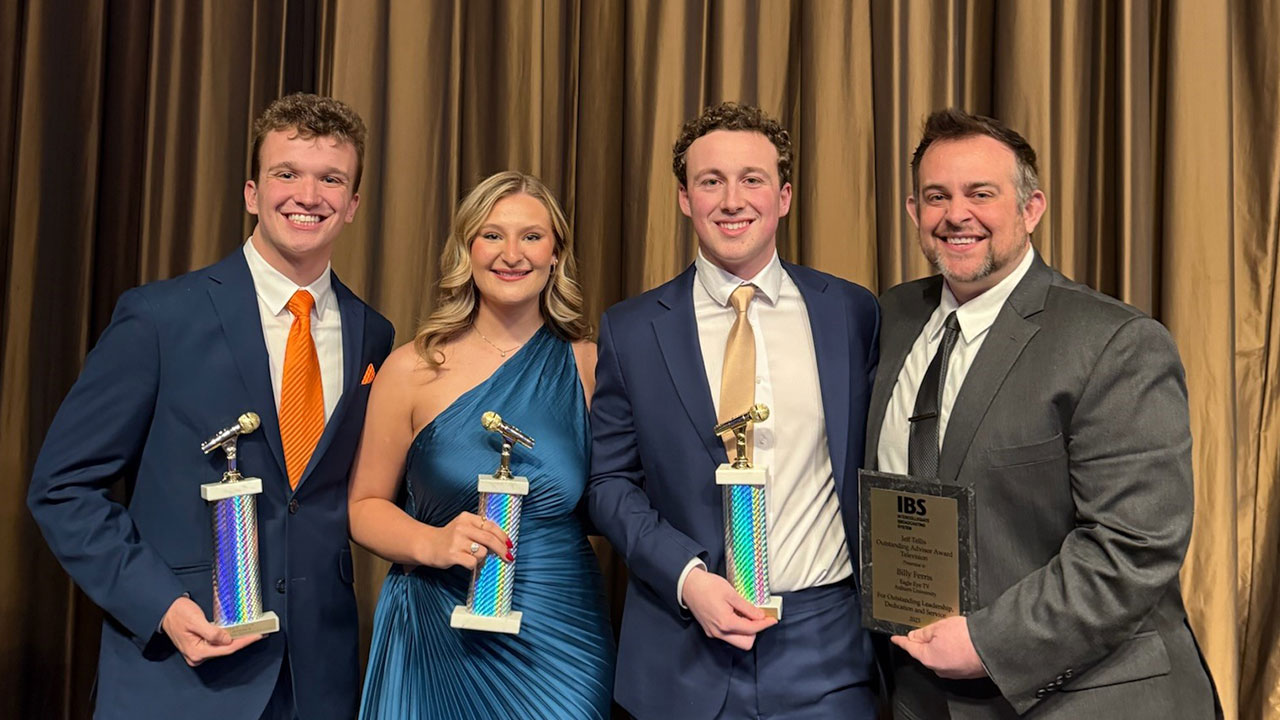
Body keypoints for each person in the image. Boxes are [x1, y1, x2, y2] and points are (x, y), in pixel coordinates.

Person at [26, 93, 395, 719]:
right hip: (179, 674)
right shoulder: (159, 317)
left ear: (354, 203)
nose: (308, 196)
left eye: (331, 179)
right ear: (252, 192)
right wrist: (162, 606)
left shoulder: (374, 336)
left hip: (318, 683)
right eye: (287, 173)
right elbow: (62, 487)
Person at [866, 108, 1218, 718]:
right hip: (920, 693)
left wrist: (989, 642)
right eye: (936, 196)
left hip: (1087, 698)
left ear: (1031, 209)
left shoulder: (1114, 343)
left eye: (981, 194)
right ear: (914, 211)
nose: (956, 214)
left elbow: (1134, 545)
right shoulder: (892, 318)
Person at [586, 102, 880, 719]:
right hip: (681, 652)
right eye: (710, 181)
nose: (732, 200)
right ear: (684, 198)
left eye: (752, 179)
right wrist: (687, 579)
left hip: (827, 650)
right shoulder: (632, 329)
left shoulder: (851, 312)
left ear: (784, 197)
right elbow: (610, 482)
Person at [350, 171, 614, 719]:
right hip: (434, 627)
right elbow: (363, 506)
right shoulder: (412, 367)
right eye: (492, 235)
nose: (511, 254)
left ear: (555, 255)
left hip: (558, 635)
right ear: (467, 249)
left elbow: (620, 497)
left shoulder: (589, 367)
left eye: (531, 237)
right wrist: (431, 543)